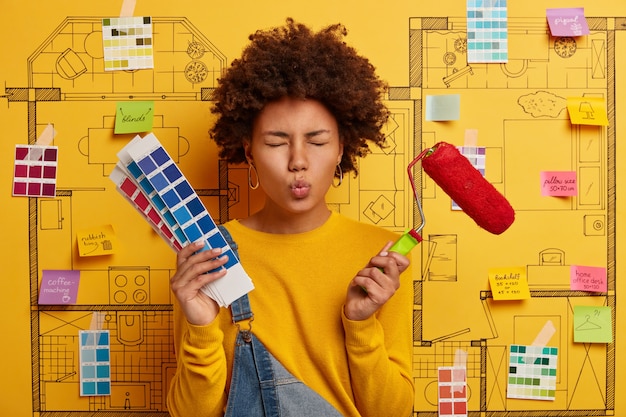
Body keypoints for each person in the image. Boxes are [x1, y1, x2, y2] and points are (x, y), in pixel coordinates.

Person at [167, 18, 414, 417]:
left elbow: (394, 412)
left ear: (341, 149)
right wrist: (199, 327)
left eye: (317, 141)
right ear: (248, 153)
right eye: (276, 142)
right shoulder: (207, 254)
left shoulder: (380, 259)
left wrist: (361, 325)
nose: (298, 161)